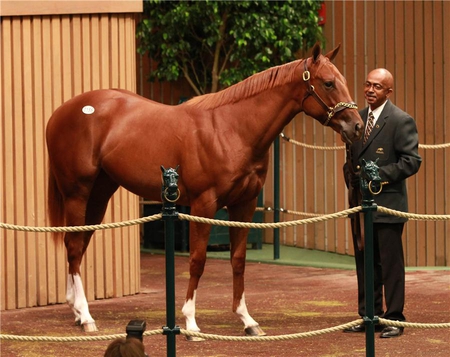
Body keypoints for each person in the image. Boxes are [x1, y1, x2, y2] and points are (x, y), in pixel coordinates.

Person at [343, 68, 421, 338]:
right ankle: (369, 316)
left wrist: (379, 175)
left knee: (390, 265)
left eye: (377, 86)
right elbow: (352, 159)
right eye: (367, 84)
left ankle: (395, 317)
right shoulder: (358, 118)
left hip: (387, 205)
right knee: (364, 262)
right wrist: (350, 173)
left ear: (388, 92)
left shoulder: (400, 120)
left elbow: (412, 161)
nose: (370, 90)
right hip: (360, 205)